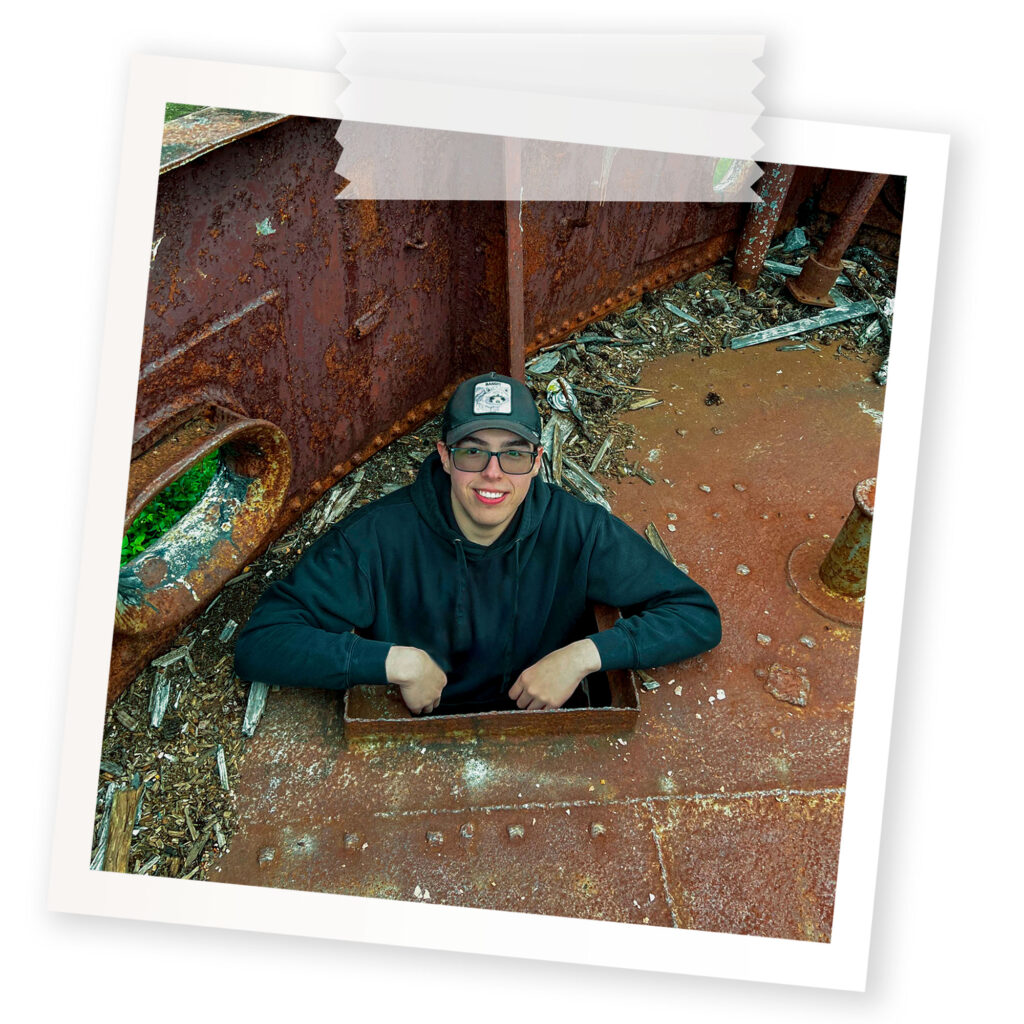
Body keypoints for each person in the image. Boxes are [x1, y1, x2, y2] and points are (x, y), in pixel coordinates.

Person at [234, 371, 721, 715]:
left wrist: (581, 657)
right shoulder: (377, 538)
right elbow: (263, 641)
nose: (492, 474)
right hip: (420, 742)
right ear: (445, 457)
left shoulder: (577, 529)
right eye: (473, 452)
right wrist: (394, 663)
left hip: (544, 737)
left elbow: (694, 614)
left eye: (512, 455)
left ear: (536, 461)